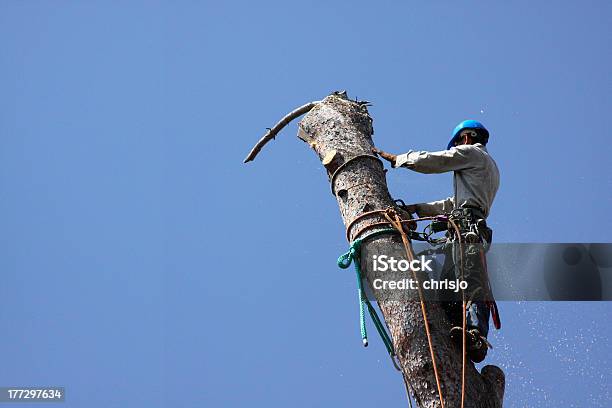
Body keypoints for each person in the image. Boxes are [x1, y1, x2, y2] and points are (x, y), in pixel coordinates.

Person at [373, 120, 500, 362]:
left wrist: (396, 158)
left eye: (458, 143)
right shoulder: (485, 169)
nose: (457, 148)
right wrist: (416, 209)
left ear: (466, 137)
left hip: (467, 231)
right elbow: (452, 204)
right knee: (446, 288)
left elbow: (437, 160)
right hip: (463, 230)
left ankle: (476, 336)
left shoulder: (472, 153)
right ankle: (457, 329)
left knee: (468, 280)